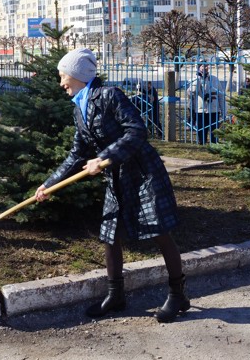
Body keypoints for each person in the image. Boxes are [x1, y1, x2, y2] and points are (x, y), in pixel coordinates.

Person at [35, 48, 189, 323]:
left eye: (63, 76)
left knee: (159, 232)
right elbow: (77, 153)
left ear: (77, 75)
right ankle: (115, 295)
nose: (61, 83)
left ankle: (178, 294)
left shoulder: (109, 95)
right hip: (116, 177)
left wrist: (104, 158)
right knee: (110, 235)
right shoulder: (79, 109)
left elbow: (137, 131)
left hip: (142, 173)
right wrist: (48, 184)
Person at [187, 64, 225, 145]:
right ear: (198, 67)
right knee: (201, 131)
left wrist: (223, 111)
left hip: (213, 110)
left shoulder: (214, 79)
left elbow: (221, 95)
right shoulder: (194, 79)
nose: (205, 67)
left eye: (207, 66)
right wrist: (196, 81)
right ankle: (202, 144)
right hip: (200, 110)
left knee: (214, 131)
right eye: (203, 66)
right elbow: (190, 94)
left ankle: (214, 145)